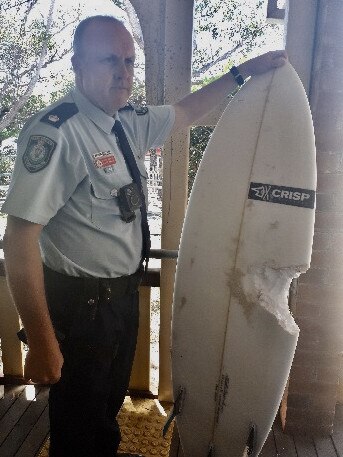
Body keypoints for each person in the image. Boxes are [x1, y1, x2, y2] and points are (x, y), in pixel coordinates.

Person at [2, 15, 287, 457]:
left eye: (130, 61)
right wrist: (40, 342)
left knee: (105, 409)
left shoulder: (127, 120)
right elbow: (19, 241)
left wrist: (240, 73)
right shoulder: (58, 133)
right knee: (78, 420)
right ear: (77, 65)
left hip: (117, 300)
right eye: (110, 60)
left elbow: (189, 111)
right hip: (80, 308)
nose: (124, 71)